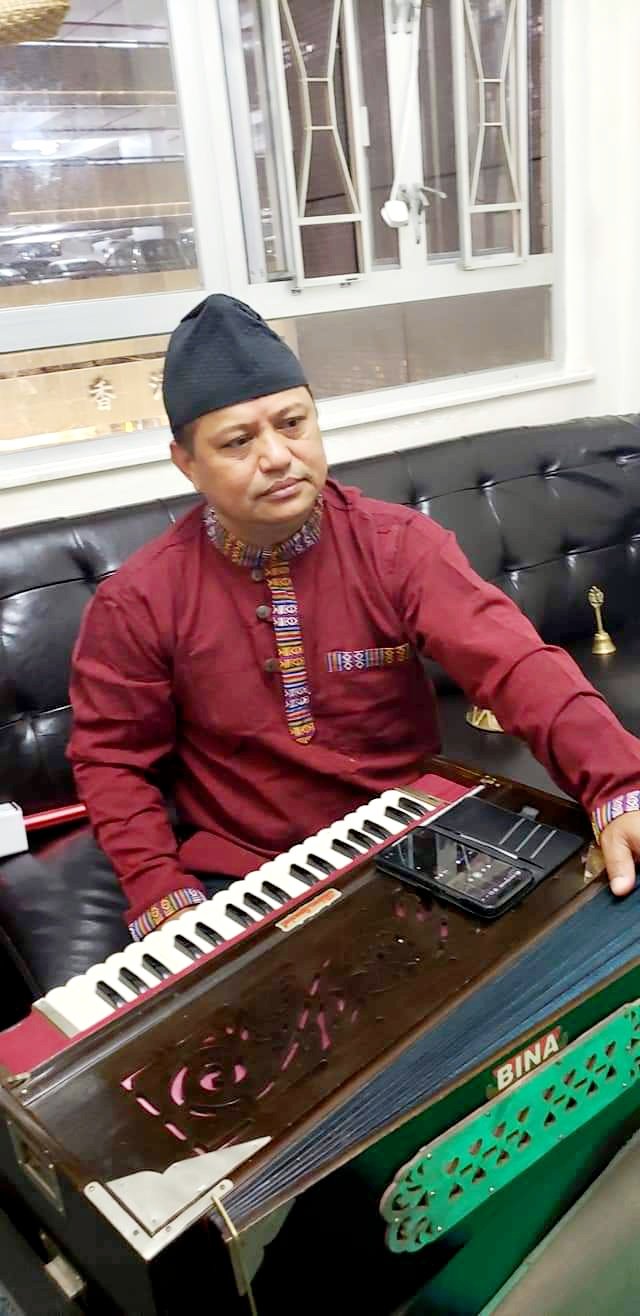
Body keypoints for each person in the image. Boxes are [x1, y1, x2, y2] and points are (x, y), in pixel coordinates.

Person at [69, 293, 640, 942]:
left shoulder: (398, 547)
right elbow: (112, 762)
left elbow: (514, 665)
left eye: (292, 423)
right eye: (238, 441)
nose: (277, 456)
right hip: (248, 877)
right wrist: (162, 894)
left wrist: (617, 783)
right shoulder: (138, 601)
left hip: (415, 839)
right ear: (187, 464)